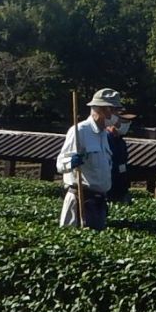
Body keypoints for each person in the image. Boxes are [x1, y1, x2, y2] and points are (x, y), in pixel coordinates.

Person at [56, 88, 120, 230]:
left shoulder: (104, 134)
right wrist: (71, 162)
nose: (117, 115)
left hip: (98, 203)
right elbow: (60, 164)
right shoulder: (80, 131)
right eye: (115, 110)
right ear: (104, 110)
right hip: (80, 200)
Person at [105, 112, 134, 205]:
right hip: (108, 186)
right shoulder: (104, 139)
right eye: (124, 122)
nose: (127, 125)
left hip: (120, 185)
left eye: (129, 122)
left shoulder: (121, 141)